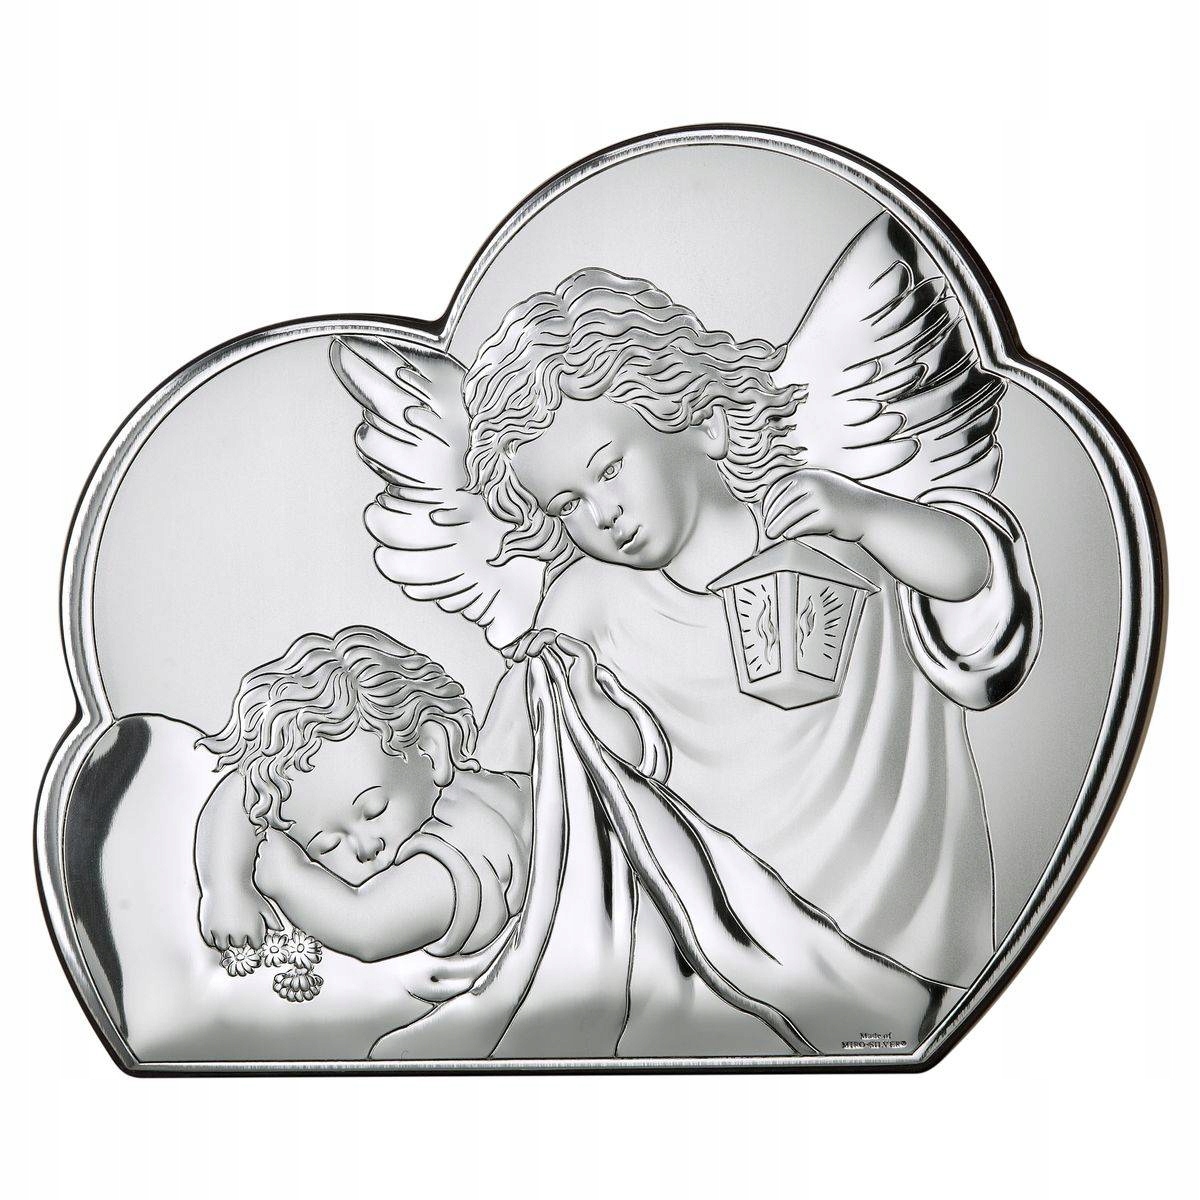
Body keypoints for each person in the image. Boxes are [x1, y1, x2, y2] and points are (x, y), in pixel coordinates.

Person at [461, 268, 1041, 989]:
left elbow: (972, 575)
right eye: (566, 505)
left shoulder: (823, 518)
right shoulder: (586, 605)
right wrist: (578, 707)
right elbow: (531, 780)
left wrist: (865, 515)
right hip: (726, 956)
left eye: (608, 470)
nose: (601, 514)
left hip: (907, 935)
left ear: (705, 422)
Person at [193, 625, 530, 962]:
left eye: (374, 810)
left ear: (431, 748)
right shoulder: (442, 787)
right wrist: (226, 885)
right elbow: (243, 788)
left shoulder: (461, 846)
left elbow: (367, 929)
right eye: (328, 845)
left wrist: (286, 877)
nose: (366, 847)